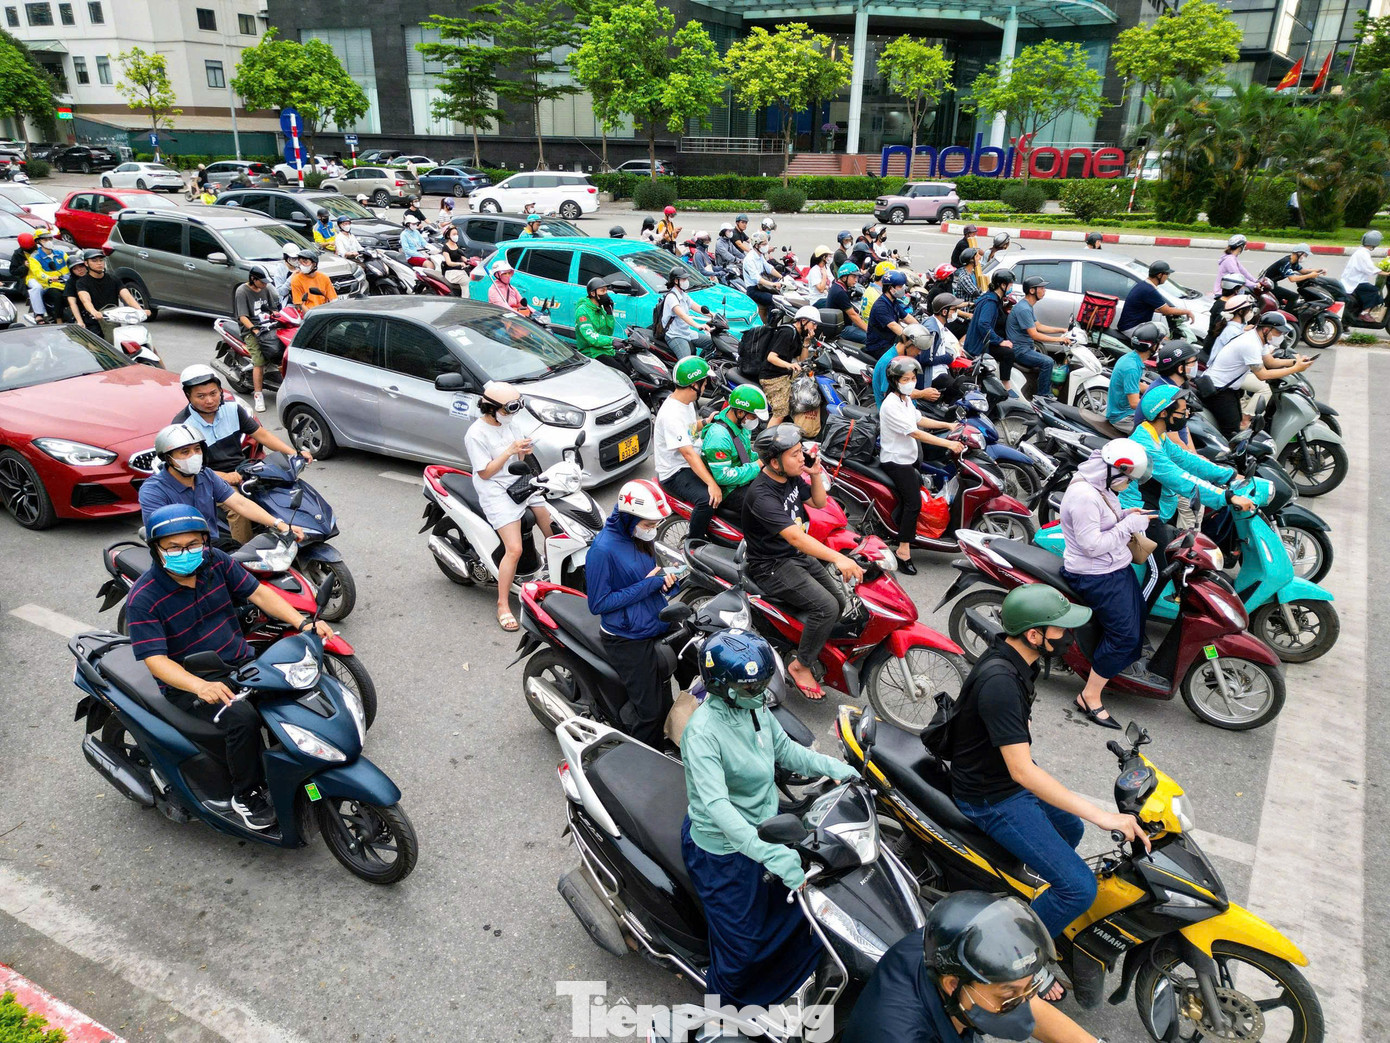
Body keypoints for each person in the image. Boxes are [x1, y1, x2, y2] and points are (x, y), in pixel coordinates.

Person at [949, 585, 1150, 949]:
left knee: (1070, 827)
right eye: (1061, 629)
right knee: (1079, 889)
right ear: (1033, 635)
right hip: (990, 796)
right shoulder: (1000, 682)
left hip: (1003, 775)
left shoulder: (1020, 660)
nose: (1068, 636)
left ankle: (1030, 895)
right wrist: (1104, 817)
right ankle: (1009, 956)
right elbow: (1022, 772)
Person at [680, 629, 860, 1008]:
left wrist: (835, 766)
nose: (762, 695)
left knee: (804, 908)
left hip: (768, 829)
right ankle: (720, 1017)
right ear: (722, 688)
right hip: (724, 851)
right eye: (752, 688)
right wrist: (770, 853)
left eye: (764, 684)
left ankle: (783, 988)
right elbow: (718, 808)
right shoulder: (702, 734)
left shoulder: (754, 707)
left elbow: (786, 750)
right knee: (742, 951)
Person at [127, 505, 334, 832]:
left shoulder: (216, 563)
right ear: (156, 549)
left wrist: (302, 622)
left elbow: (259, 593)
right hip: (191, 681)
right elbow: (156, 661)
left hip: (239, 661)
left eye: (193, 544)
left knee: (294, 692)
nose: (186, 553)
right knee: (243, 719)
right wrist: (199, 686)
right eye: (174, 548)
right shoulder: (144, 598)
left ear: (205, 542)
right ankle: (246, 795)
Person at [842, 891, 1108, 1043]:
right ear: (952, 984)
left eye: (1029, 988)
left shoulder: (948, 946)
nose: (1024, 1002)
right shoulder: (899, 1036)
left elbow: (1024, 1001)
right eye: (1008, 997)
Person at [742, 424, 864, 699]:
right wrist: (838, 558)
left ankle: (805, 642)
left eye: (801, 451)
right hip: (771, 566)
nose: (802, 457)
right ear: (775, 462)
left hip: (794, 556)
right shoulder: (762, 496)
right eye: (795, 454)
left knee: (839, 602)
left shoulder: (791, 477)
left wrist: (815, 473)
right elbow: (796, 538)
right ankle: (800, 665)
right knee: (826, 607)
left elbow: (819, 502)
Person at [1059, 440, 1155, 727]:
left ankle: (1114, 666)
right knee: (1124, 636)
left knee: (1139, 616)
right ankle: (1089, 696)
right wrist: (1127, 526)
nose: (1128, 483)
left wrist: (1126, 515)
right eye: (1127, 477)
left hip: (1115, 567)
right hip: (1095, 574)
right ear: (1112, 469)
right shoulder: (1084, 496)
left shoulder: (1101, 486)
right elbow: (1091, 545)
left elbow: (1104, 522)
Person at [584, 479, 680, 746]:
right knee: (650, 713)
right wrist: (649, 585)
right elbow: (598, 604)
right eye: (648, 525)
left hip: (655, 619)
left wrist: (667, 582)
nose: (653, 530)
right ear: (629, 517)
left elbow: (649, 576)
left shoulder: (639, 536)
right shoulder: (602, 550)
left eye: (656, 524)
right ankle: (643, 758)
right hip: (626, 636)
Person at [173, 364, 310, 543]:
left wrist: (295, 453)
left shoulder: (232, 410)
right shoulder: (183, 427)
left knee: (283, 486)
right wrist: (223, 476)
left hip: (242, 469)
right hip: (207, 479)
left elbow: (262, 435)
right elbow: (189, 469)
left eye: (213, 393)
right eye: (201, 396)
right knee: (238, 509)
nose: (209, 400)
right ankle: (244, 551)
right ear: (188, 396)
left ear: (220, 390)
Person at [1124, 387, 1252, 569]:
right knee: (1160, 573)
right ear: (1163, 413)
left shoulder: (1156, 435)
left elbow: (1186, 460)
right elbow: (1180, 479)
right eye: (1182, 411)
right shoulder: (1146, 446)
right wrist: (1227, 496)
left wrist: (1229, 475)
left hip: (1159, 511)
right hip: (1143, 517)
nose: (1186, 415)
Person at [462, 382, 555, 631]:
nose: (511, 414)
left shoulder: (511, 424)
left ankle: (553, 576)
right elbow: (485, 472)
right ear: (491, 408)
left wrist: (523, 450)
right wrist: (509, 450)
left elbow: (518, 459)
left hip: (520, 481)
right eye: (507, 409)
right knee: (514, 549)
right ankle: (503, 604)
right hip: (495, 491)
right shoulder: (476, 434)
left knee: (555, 532)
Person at [138, 423, 301, 544]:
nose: (194, 455)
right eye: (185, 452)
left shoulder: (205, 475)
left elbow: (239, 503)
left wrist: (280, 524)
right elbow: (160, 533)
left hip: (212, 547)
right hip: (181, 555)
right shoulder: (153, 490)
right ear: (168, 458)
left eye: (197, 449)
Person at [880, 357, 965, 573]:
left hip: (909, 459)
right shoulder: (891, 405)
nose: (910, 382)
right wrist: (948, 443)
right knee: (914, 503)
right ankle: (903, 550)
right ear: (895, 381)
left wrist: (948, 425)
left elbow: (919, 419)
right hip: (896, 461)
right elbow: (915, 432)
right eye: (905, 379)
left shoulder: (905, 400)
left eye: (913, 378)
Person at [1199, 312, 1312, 436]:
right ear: (1266, 330)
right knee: (1231, 431)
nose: (1280, 336)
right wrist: (1295, 369)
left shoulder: (1259, 339)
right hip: (1218, 389)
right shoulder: (1250, 344)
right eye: (1278, 332)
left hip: (1228, 388)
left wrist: (1295, 362)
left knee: (1235, 425)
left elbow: (1270, 362)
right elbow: (1263, 375)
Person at [653, 357, 723, 541]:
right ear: (694, 385)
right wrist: (711, 484)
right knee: (707, 500)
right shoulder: (671, 414)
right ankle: (694, 543)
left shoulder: (686, 403)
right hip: (675, 472)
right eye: (704, 382)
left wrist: (707, 421)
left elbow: (689, 429)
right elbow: (688, 454)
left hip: (689, 461)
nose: (706, 386)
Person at [700, 384, 768, 521]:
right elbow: (723, 476)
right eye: (754, 416)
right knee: (766, 507)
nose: (755, 420)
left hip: (743, 478)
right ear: (740, 412)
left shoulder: (741, 425)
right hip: (728, 489)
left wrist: (765, 458)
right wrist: (757, 465)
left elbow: (746, 454)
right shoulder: (719, 437)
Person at [232, 266, 283, 413]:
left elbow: (273, 309)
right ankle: (258, 395)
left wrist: (280, 317)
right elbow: (243, 317)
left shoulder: (265, 289)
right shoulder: (242, 291)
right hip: (251, 330)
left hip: (267, 326)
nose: (265, 284)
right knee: (259, 361)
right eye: (262, 281)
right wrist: (255, 330)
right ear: (253, 279)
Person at [1004, 276, 1063, 400]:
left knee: (1049, 361)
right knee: (1048, 362)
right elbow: (1034, 334)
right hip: (1020, 350)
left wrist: (1062, 330)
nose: (1044, 290)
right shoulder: (1024, 309)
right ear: (1032, 290)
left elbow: (1039, 326)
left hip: (1026, 347)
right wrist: (1059, 340)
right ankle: (1043, 396)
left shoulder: (1027, 306)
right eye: (1041, 288)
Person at [760, 306, 818, 427]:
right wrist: (790, 365)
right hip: (772, 377)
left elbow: (801, 360)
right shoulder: (787, 333)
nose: (815, 327)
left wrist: (806, 342)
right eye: (813, 324)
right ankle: (767, 438)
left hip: (784, 374)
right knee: (781, 412)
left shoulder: (797, 334)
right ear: (803, 320)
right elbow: (771, 357)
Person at [75, 249, 145, 343]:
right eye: (94, 261)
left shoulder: (113, 278)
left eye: (101, 260)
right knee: (97, 346)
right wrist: (94, 312)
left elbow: (127, 297)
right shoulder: (82, 282)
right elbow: (86, 300)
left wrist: (140, 310)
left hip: (115, 318)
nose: (99, 263)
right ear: (86, 263)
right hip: (95, 320)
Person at [872, 323, 946, 407]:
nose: (919, 353)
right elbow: (890, 395)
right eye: (918, 349)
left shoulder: (900, 359)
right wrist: (921, 394)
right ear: (909, 344)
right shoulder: (890, 362)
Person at [963, 268, 1016, 386]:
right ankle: (1005, 385)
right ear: (1002, 285)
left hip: (982, 341)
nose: (1011, 287)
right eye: (1010, 284)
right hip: (979, 346)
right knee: (1008, 353)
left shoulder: (993, 298)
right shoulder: (990, 302)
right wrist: (1000, 341)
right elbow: (983, 324)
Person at [1104, 320, 1160, 429]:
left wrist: (1159, 391)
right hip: (1123, 417)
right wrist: (1158, 407)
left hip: (1124, 411)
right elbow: (1134, 403)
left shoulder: (1131, 358)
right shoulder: (1132, 368)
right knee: (1158, 433)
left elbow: (1136, 384)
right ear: (1152, 346)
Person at [1117, 260, 1193, 335]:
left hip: (1130, 326)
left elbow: (1151, 308)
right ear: (1159, 275)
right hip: (1132, 328)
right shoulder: (1149, 290)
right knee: (1162, 338)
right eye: (1167, 274)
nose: (1167, 277)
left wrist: (1172, 311)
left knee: (1161, 333)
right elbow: (1166, 310)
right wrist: (1187, 312)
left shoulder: (1143, 285)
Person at [659, 269, 713, 359]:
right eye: (684, 279)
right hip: (675, 335)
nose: (686, 281)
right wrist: (698, 325)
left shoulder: (683, 294)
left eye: (686, 279)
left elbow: (697, 307)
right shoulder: (671, 297)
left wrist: (714, 315)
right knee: (687, 361)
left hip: (687, 333)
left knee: (712, 343)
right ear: (676, 281)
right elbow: (682, 315)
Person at [1262, 244, 1324, 312]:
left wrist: (1320, 270)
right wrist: (1310, 275)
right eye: (1305, 255)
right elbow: (1292, 279)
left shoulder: (1293, 262)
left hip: (1271, 284)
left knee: (1282, 303)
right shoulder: (1286, 263)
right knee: (1294, 297)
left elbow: (1303, 271)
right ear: (1299, 253)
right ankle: (1286, 316)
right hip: (1267, 285)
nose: (1305, 257)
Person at [25, 229, 68, 324]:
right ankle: (46, 316)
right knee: (55, 296)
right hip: (46, 283)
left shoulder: (61, 253)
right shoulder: (34, 257)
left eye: (50, 239)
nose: (48, 241)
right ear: (38, 242)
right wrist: (49, 278)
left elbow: (70, 264)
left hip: (63, 281)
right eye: (45, 239)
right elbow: (38, 273)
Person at [1341, 229, 1384, 318]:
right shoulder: (1363, 253)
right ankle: (1364, 313)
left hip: (1353, 279)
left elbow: (1368, 266)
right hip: (1355, 281)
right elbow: (1369, 268)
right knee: (1374, 291)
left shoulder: (1361, 251)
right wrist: (1385, 273)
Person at [866, 270, 909, 360]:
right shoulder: (880, 306)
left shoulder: (893, 302)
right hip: (878, 347)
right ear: (891, 288)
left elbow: (907, 317)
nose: (902, 289)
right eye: (900, 286)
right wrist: (911, 338)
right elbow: (894, 326)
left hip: (890, 342)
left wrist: (922, 328)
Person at [574, 276, 618, 359]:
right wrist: (612, 341)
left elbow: (608, 333)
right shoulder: (583, 311)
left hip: (605, 350)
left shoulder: (600, 309)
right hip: (591, 352)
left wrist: (609, 314)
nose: (605, 294)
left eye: (606, 290)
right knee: (616, 367)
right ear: (593, 293)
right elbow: (591, 337)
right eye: (602, 291)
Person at [742, 231, 781, 323]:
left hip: (762, 287)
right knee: (774, 301)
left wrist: (782, 277)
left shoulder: (760, 256)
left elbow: (769, 268)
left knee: (781, 296)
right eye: (764, 244)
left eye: (766, 244)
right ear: (756, 245)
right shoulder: (749, 259)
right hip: (753, 290)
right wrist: (772, 284)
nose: (766, 246)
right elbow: (757, 278)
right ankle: (770, 326)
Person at [826, 261, 868, 344]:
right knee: (870, 338)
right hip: (842, 329)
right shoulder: (840, 292)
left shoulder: (838, 286)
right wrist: (869, 330)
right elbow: (853, 315)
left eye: (857, 277)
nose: (856, 280)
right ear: (844, 277)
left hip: (845, 323)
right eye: (853, 277)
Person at [289, 248, 336, 313]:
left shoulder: (324, 278)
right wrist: (311, 316)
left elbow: (333, 299)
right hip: (308, 313)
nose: (302, 265)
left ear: (314, 264)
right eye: (300, 262)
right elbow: (300, 304)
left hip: (324, 311)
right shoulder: (296, 280)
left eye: (305, 262)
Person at [60, 251, 90, 332]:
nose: (79, 270)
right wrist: (80, 321)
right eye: (75, 268)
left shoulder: (93, 276)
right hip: (83, 313)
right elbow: (72, 303)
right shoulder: (71, 282)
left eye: (81, 266)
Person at [438, 224, 470, 289]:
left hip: (460, 270)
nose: (456, 236)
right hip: (451, 273)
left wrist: (469, 260)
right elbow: (449, 263)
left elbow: (461, 256)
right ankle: (465, 296)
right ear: (448, 235)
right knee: (466, 282)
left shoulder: (456, 245)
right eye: (454, 234)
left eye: (457, 234)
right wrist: (460, 264)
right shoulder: (445, 247)